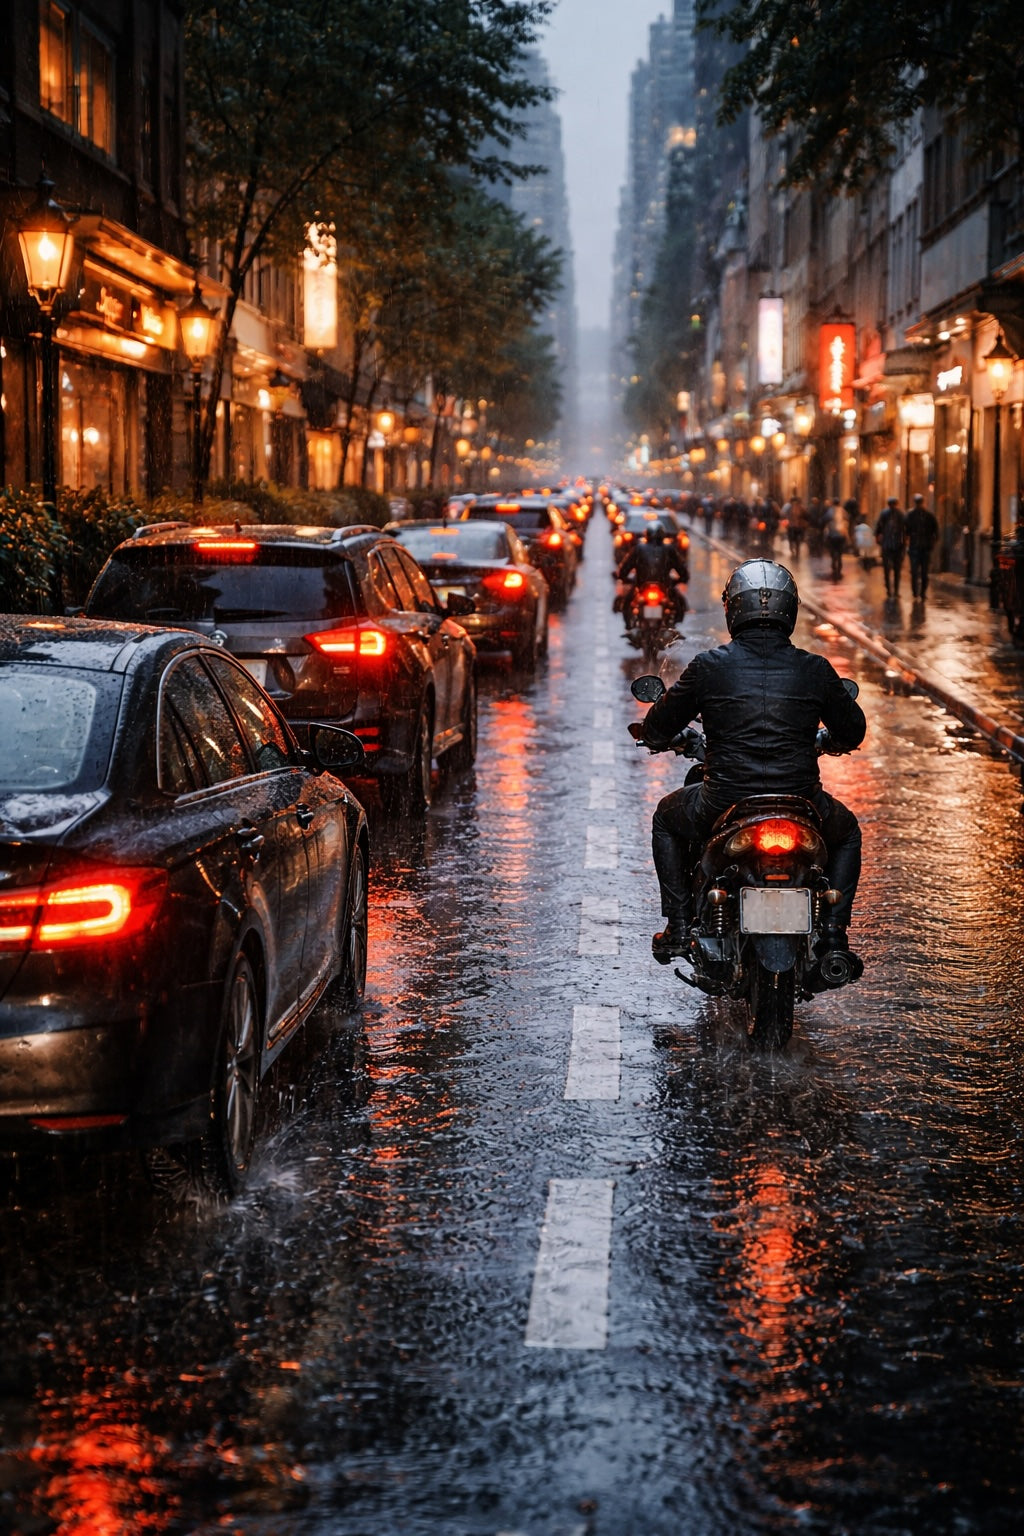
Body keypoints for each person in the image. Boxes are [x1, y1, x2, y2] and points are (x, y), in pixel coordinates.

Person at [638, 559, 866, 974]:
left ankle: (678, 924)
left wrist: (660, 735)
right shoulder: (814, 668)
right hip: (801, 801)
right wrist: (828, 740)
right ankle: (834, 933)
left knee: (665, 820)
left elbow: (657, 727)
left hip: (724, 799)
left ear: (733, 611)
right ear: (790, 611)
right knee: (847, 832)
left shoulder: (709, 667)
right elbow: (853, 731)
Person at [616, 523, 689, 629]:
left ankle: (628, 625)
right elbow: (681, 568)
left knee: (627, 602)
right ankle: (674, 624)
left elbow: (626, 567)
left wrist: (623, 577)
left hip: (642, 584)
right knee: (679, 602)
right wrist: (683, 578)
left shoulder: (639, 548)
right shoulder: (669, 549)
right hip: (664, 584)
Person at [905, 493, 940, 599]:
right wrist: (932, 543)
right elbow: (936, 532)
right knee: (924, 572)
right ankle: (922, 592)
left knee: (915, 572)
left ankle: (916, 592)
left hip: (916, 547)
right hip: (924, 548)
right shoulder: (929, 515)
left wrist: (908, 542)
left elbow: (906, 531)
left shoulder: (911, 515)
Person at [875, 496, 907, 597]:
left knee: (887, 569)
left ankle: (889, 589)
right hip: (897, 545)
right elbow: (905, 530)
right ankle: (895, 590)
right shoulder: (901, 514)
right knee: (896, 569)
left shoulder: (884, 514)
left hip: (887, 545)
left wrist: (878, 539)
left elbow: (878, 528)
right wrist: (904, 543)